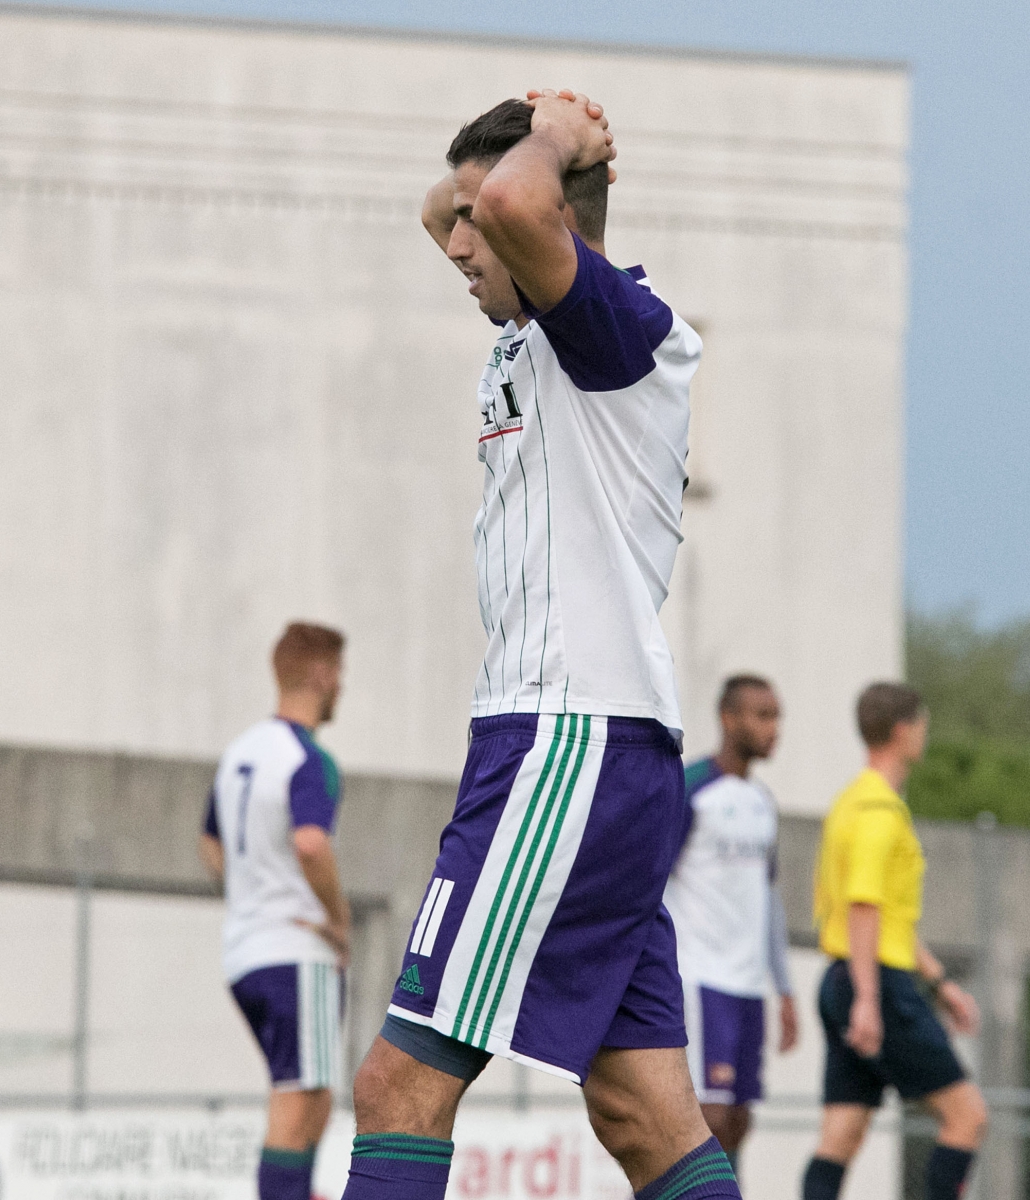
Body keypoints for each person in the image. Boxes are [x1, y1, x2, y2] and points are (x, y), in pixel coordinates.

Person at [342, 89, 736, 1200]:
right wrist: (518, 145)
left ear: (551, 217)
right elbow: (460, 202)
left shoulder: (614, 331)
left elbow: (515, 198)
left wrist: (560, 144)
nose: (457, 243)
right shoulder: (534, 326)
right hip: (594, 748)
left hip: (562, 740)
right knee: (644, 1115)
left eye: (483, 223)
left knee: (396, 1087)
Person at [802, 683, 988, 1200]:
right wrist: (867, 1000)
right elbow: (863, 906)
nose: (924, 737)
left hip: (843, 978)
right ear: (903, 731)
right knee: (967, 1118)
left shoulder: (848, 802)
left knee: (842, 1133)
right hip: (874, 983)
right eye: (923, 727)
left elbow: (886, 919)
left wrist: (941, 983)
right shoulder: (878, 812)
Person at [200, 622, 349, 1200]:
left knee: (308, 1097)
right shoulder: (307, 758)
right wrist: (339, 922)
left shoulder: (239, 753)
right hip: (294, 948)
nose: (341, 687)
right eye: (339, 674)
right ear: (320, 674)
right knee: (301, 1099)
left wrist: (251, 893)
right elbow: (311, 843)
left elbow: (210, 842)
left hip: (244, 951)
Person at [665, 676, 799, 1164]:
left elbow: (768, 897)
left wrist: (783, 987)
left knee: (739, 1122)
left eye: (776, 716)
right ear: (729, 718)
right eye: (763, 716)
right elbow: (650, 880)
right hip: (700, 979)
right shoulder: (692, 788)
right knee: (707, 1119)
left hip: (748, 988)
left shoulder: (763, 803)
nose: (774, 728)